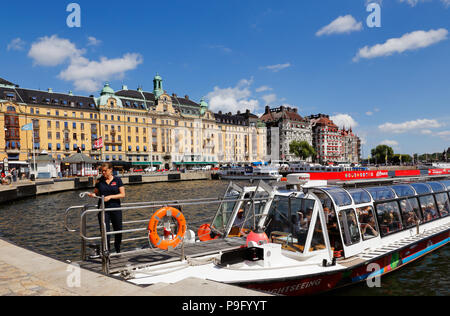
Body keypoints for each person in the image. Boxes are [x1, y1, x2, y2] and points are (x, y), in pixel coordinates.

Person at [89, 163, 126, 254]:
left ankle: (117, 248)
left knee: (118, 230)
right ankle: (106, 251)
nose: (103, 172)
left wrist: (110, 197)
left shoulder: (117, 180)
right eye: (102, 171)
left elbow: (122, 194)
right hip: (103, 209)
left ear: (110, 170)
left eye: (105, 170)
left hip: (115, 209)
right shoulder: (99, 181)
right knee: (105, 231)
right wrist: (93, 195)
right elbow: (96, 193)